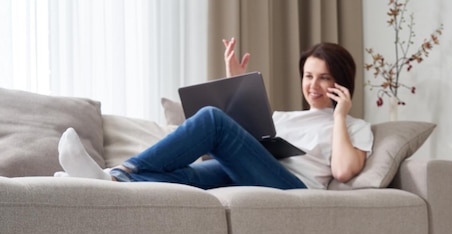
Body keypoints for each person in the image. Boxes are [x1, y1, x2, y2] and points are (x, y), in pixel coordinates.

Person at [57, 38, 373, 190]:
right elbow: (245, 140)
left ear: (341, 82)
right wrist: (233, 84)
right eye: (308, 76)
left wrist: (340, 115)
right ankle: (107, 178)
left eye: (324, 77)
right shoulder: (283, 116)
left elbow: (344, 171)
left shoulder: (355, 127)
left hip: (293, 186)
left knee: (211, 118)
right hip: (255, 171)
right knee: (187, 175)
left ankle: (119, 168)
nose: (313, 85)